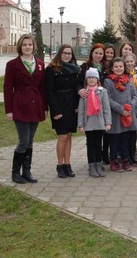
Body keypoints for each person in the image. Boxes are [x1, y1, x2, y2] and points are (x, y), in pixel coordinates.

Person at [4, 34, 47, 184]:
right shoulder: (12, 64)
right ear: (20, 47)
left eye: (30, 44)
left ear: (34, 46)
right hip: (20, 105)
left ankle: (26, 172)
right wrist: (9, 110)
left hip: (35, 105)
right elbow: (7, 88)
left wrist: (45, 107)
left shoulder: (40, 64)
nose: (27, 47)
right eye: (24, 45)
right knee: (24, 141)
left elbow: (42, 88)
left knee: (30, 141)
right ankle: (15, 173)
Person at [45, 45, 81, 178]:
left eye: (69, 53)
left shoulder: (75, 69)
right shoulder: (51, 69)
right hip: (59, 105)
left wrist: (78, 105)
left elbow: (77, 87)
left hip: (72, 105)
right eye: (65, 53)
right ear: (60, 54)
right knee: (63, 136)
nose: (67, 55)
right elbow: (49, 91)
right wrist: (55, 110)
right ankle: (60, 165)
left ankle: (68, 164)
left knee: (69, 135)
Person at [104, 57, 137, 172]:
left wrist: (131, 107)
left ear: (124, 67)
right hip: (115, 115)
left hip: (128, 115)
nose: (118, 68)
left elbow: (135, 95)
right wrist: (121, 109)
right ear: (112, 68)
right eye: (116, 67)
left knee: (125, 140)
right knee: (114, 140)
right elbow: (108, 99)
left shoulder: (129, 79)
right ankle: (114, 162)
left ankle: (125, 160)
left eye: (121, 66)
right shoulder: (108, 81)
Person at [78, 43, 110, 165]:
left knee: (102, 137)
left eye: (101, 53)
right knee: (91, 140)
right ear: (92, 53)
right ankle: (92, 162)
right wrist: (80, 90)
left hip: (103, 99)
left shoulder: (106, 67)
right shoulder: (85, 67)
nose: (98, 55)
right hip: (88, 101)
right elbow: (78, 82)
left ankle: (102, 158)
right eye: (96, 53)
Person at [77, 68, 112, 177]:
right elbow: (81, 110)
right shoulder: (84, 93)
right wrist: (80, 124)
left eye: (93, 77)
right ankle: (91, 166)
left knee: (98, 145)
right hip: (88, 124)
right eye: (89, 78)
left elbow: (106, 108)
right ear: (86, 80)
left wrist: (108, 122)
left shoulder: (103, 91)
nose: (91, 79)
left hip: (100, 123)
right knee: (90, 145)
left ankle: (98, 165)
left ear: (97, 79)